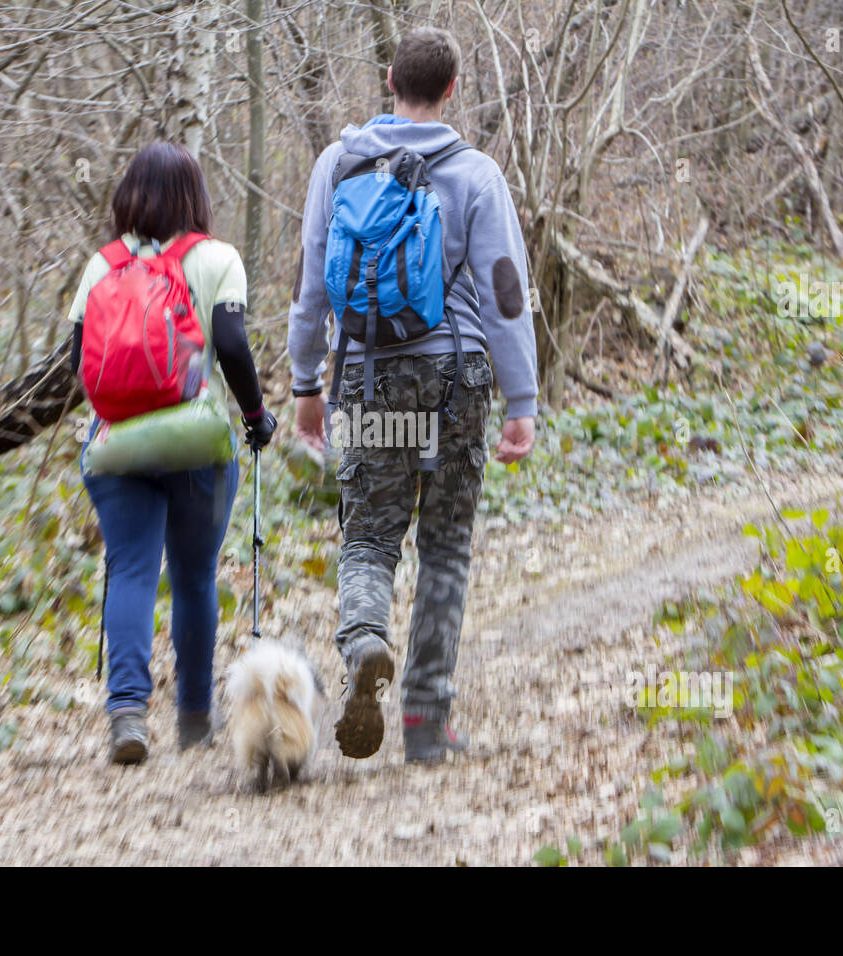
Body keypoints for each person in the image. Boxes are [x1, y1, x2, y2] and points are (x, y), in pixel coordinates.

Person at [286, 28, 538, 763]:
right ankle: (427, 723)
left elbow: (310, 289)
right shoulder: (477, 174)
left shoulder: (338, 164)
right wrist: (520, 401)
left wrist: (306, 384)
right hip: (455, 382)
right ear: (453, 89)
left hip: (367, 376)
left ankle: (365, 638)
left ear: (388, 78)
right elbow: (506, 295)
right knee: (447, 548)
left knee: (368, 537)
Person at [68, 141, 277, 764]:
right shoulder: (217, 259)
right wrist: (254, 415)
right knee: (192, 576)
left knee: (130, 569)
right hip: (197, 441)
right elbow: (234, 346)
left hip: (115, 444)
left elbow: (78, 357)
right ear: (196, 196)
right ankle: (192, 717)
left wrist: (120, 408)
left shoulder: (100, 265)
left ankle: (127, 713)